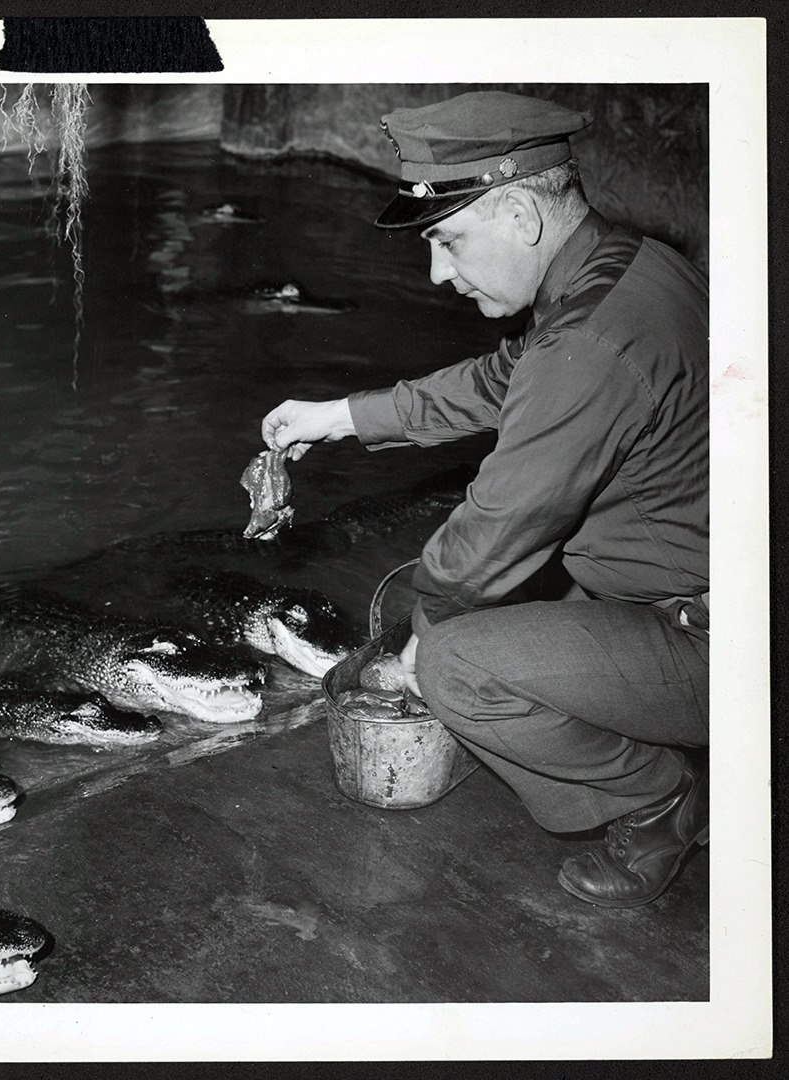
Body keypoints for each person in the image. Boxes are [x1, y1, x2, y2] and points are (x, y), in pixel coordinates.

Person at [261, 90, 709, 908]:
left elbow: (497, 529)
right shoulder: (623, 267)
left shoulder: (590, 345)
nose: (439, 274)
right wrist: (342, 417)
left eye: (448, 240)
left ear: (518, 213)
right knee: (483, 611)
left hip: (714, 636)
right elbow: (503, 380)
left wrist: (421, 638)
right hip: (696, 579)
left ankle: (659, 797)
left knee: (457, 666)